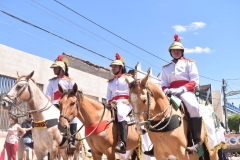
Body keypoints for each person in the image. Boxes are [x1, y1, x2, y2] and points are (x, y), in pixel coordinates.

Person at [161, 34, 202, 154]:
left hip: (185, 92)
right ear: (170, 52)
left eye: (178, 50)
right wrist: (166, 90)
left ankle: (196, 142)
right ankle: (156, 143)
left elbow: (195, 80)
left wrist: (181, 89)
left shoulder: (189, 63)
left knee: (193, 107)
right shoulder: (166, 68)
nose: (176, 52)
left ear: (182, 51)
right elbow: (163, 83)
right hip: (170, 93)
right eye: (173, 50)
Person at [46, 55, 77, 152]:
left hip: (65, 105)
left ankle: (71, 141)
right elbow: (48, 95)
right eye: (54, 68)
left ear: (62, 69)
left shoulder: (70, 81)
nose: (54, 70)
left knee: (73, 119)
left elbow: (73, 95)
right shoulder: (52, 82)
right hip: (54, 104)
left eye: (56, 68)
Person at [106, 53, 132, 154]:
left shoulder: (128, 78)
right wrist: (110, 102)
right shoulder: (110, 82)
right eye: (112, 67)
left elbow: (134, 91)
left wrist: (129, 100)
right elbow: (108, 96)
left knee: (121, 114)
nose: (113, 68)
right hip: (113, 104)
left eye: (115, 66)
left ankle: (122, 143)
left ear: (121, 67)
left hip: (126, 103)